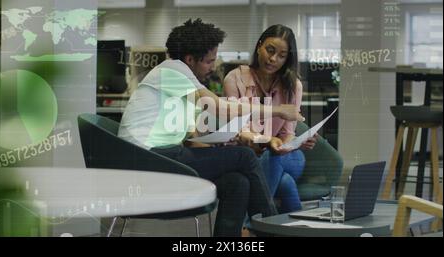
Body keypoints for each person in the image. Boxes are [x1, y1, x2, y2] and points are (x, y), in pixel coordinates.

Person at [118, 19, 304, 236]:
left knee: (237, 182)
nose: (213, 67)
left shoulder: (183, 83)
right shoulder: (172, 70)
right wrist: (278, 110)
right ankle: (270, 230)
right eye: (209, 61)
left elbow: (193, 137)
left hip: (161, 157)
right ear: (190, 59)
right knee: (244, 157)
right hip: (145, 160)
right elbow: (219, 107)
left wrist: (226, 146)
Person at [224, 24, 318, 213]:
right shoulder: (234, 79)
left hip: (287, 156)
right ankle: (291, 230)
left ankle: (250, 224)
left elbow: (288, 133)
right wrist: (268, 140)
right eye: (270, 50)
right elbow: (239, 130)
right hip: (247, 155)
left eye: (281, 55)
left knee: (274, 156)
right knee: (286, 183)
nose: (273, 59)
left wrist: (296, 142)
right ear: (259, 46)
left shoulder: (293, 86)